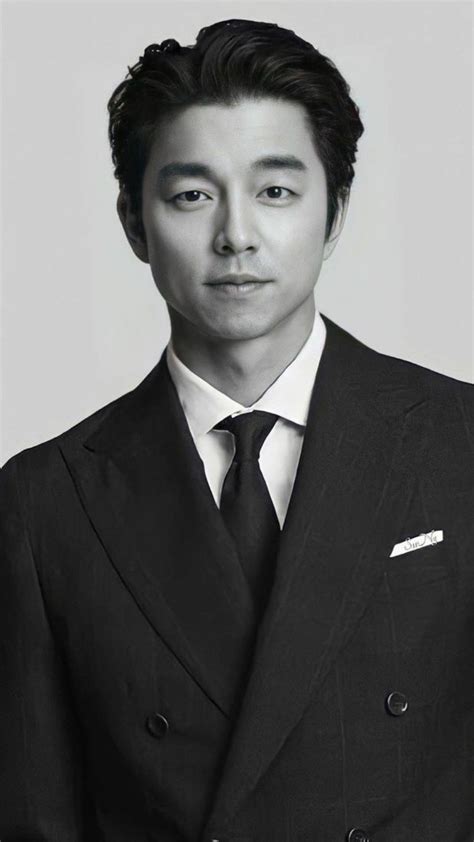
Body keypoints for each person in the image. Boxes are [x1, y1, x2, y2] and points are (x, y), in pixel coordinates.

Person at [0, 17, 472, 842]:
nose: (236, 236)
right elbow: (37, 818)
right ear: (134, 222)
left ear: (334, 213)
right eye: (192, 195)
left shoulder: (458, 440)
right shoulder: (44, 501)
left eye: (275, 192)